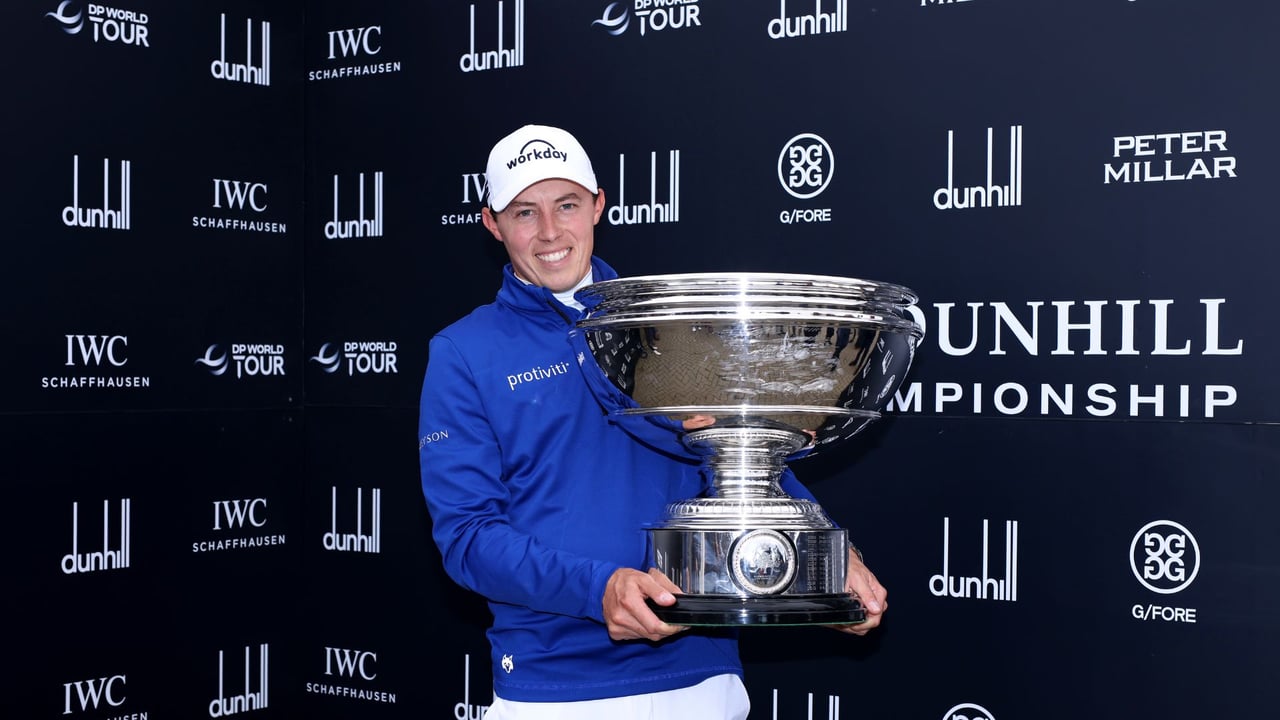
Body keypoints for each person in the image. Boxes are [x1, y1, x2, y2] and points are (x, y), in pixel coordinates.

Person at [417, 124, 887, 720]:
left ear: (598, 205)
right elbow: (468, 538)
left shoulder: (669, 327)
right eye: (524, 213)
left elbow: (741, 457)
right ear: (492, 224)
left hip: (701, 677)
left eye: (567, 205)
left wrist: (829, 553)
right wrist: (600, 589)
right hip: (554, 687)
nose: (550, 232)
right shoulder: (464, 352)